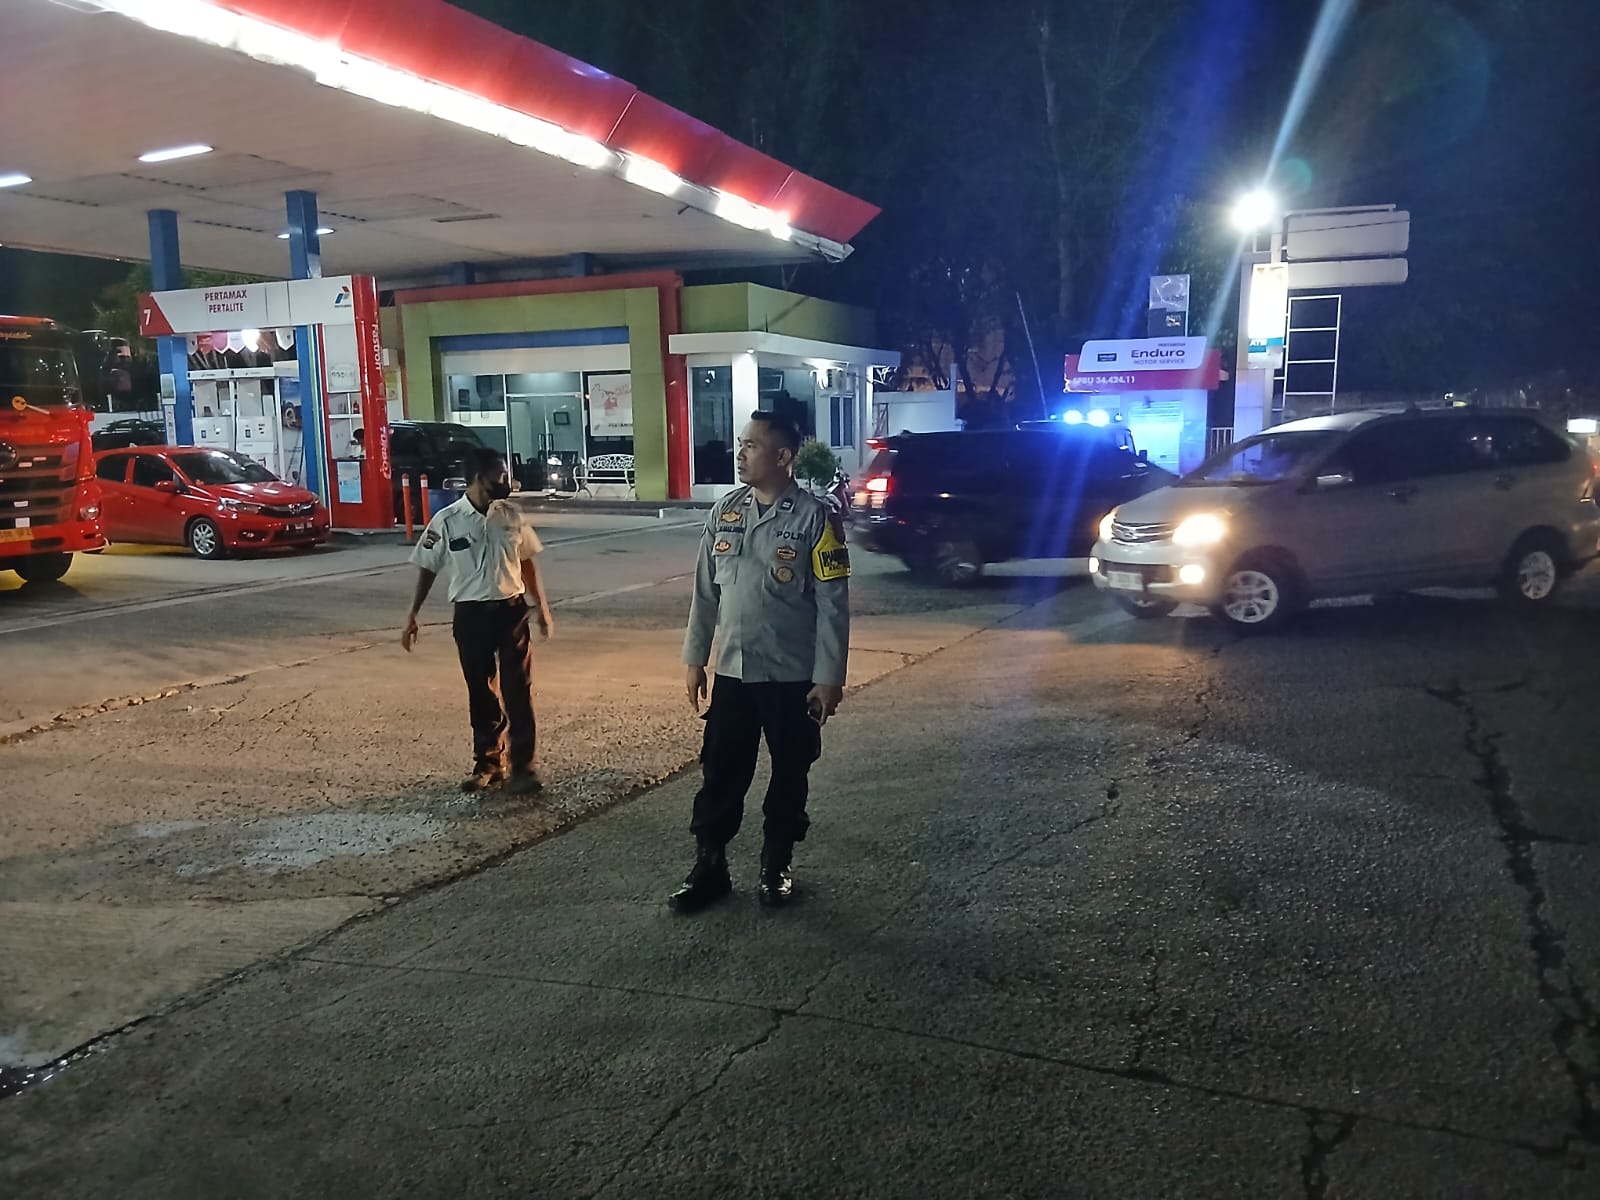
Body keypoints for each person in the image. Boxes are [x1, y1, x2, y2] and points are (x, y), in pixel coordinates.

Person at [672, 410, 851, 911]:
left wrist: (829, 678)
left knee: (790, 772)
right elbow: (704, 594)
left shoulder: (815, 518)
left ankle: (777, 864)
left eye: (751, 445)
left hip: (792, 677)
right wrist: (695, 658)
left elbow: (833, 605)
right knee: (720, 774)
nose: (740, 453)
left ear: (783, 457)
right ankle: (710, 867)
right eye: (741, 443)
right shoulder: (725, 512)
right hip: (733, 673)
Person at [402, 447, 553, 795]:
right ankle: (488, 762)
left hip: (511, 611)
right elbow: (427, 567)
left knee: (518, 690)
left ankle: (524, 767)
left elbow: (527, 561)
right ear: (478, 477)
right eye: (500, 475)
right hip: (470, 615)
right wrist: (413, 613)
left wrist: (542, 608)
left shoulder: (512, 515)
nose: (506, 481)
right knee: (481, 691)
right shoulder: (447, 520)